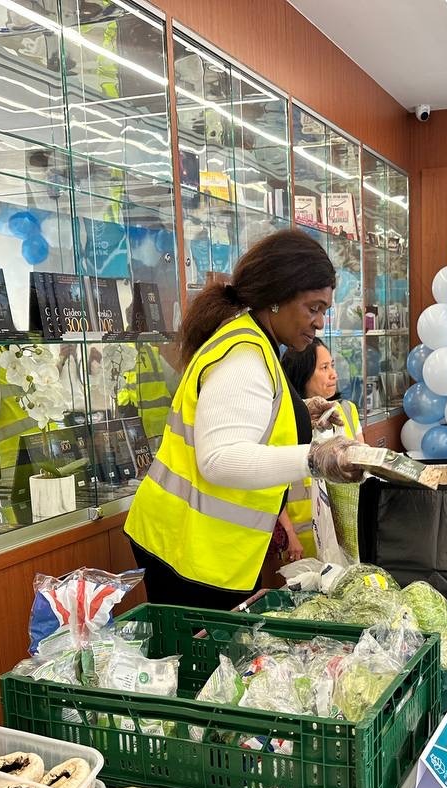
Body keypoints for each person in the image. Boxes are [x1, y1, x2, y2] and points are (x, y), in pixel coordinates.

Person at [124, 229, 370, 609]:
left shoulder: (255, 342)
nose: (320, 322)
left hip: (205, 545)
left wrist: (300, 414)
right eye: (313, 308)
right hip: (190, 550)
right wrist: (313, 459)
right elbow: (218, 459)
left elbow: (247, 414)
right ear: (276, 298)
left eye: (324, 310)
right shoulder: (245, 357)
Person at [277, 337, 363, 561]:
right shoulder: (285, 420)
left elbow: (364, 467)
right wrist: (288, 534)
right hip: (302, 538)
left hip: (346, 531)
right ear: (302, 373)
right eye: (324, 368)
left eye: (332, 365)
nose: (333, 374)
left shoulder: (347, 410)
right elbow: (272, 486)